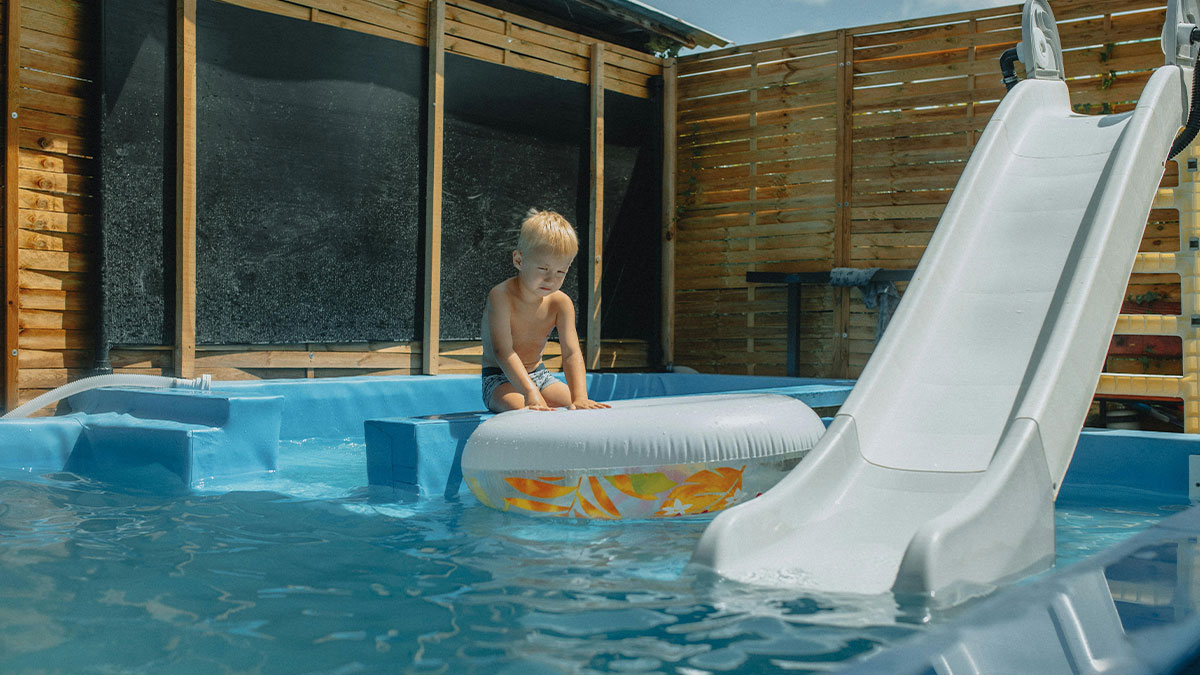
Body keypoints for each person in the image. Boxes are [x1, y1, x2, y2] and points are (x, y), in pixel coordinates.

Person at [480, 209, 611, 413]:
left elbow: (571, 353)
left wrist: (580, 397)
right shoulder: (501, 296)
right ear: (519, 260)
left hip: (541, 377)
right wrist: (530, 393)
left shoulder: (561, 303)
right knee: (525, 411)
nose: (551, 279)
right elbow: (503, 352)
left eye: (561, 272)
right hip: (499, 379)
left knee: (583, 409)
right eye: (543, 269)